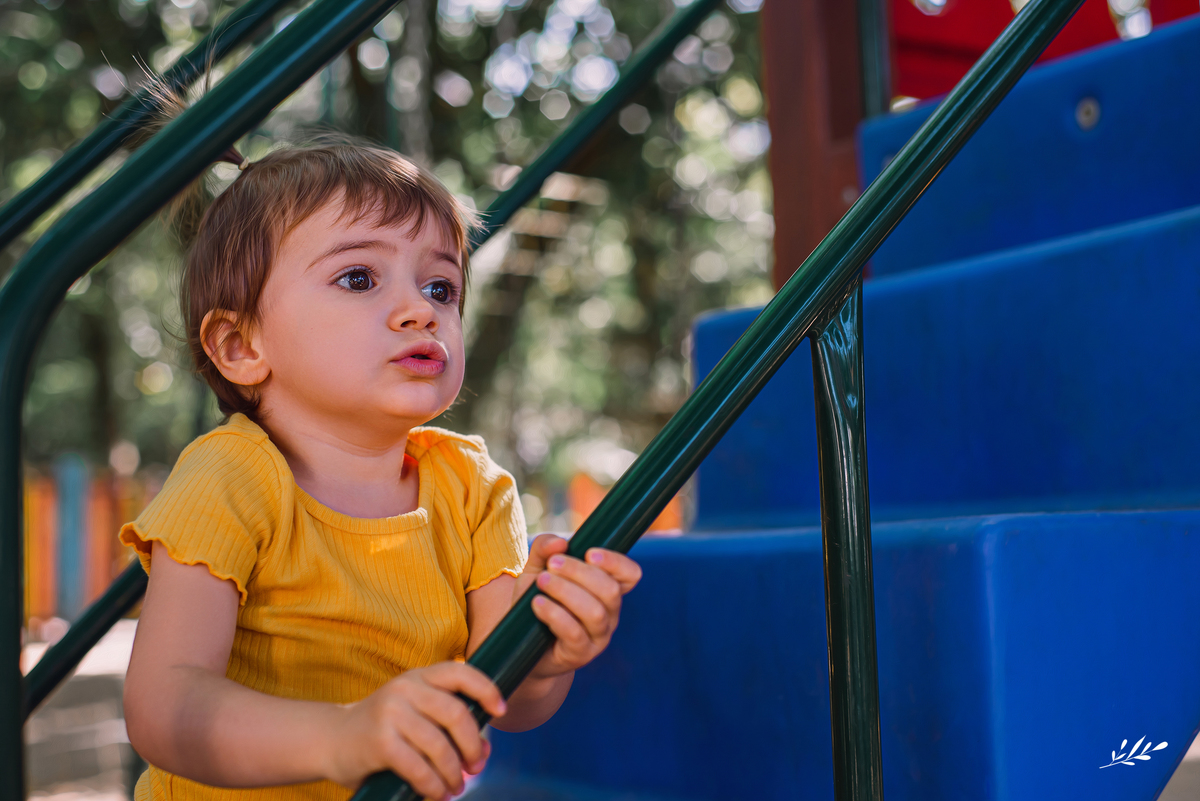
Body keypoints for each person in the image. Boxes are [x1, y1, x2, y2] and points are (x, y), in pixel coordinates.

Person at [119, 141, 642, 801]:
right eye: (360, 278)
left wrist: (546, 646)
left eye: (440, 287)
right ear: (241, 345)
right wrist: (343, 735)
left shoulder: (476, 490)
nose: (421, 310)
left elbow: (503, 697)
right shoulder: (230, 475)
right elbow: (164, 708)